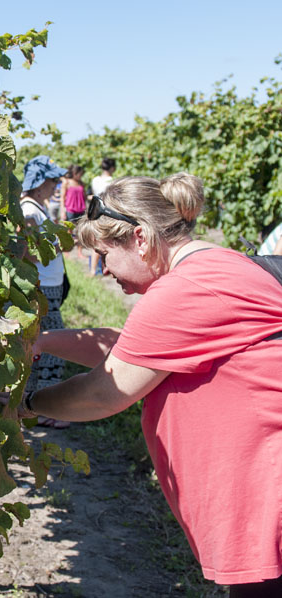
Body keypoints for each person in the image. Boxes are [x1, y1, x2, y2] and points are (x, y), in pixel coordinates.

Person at [15, 173, 282, 596]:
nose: (102, 268)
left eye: (104, 254)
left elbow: (102, 393)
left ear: (140, 238)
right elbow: (132, 350)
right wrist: (43, 341)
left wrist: (26, 404)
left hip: (270, 496)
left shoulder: (186, 289)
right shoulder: (218, 267)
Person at [19, 155, 70, 429]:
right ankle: (50, 409)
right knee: (53, 344)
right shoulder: (29, 211)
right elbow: (27, 253)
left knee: (43, 344)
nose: (56, 185)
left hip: (49, 287)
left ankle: (38, 407)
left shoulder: (38, 208)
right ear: (39, 183)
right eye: (53, 180)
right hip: (41, 288)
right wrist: (60, 244)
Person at [88, 158, 117, 275]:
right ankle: (108, 269)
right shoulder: (112, 181)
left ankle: (93, 270)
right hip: (107, 211)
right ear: (112, 168)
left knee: (96, 241)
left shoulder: (95, 180)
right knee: (107, 241)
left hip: (95, 210)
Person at [60, 164, 87, 258]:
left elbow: (84, 197)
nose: (81, 175)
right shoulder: (67, 183)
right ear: (75, 173)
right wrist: (62, 211)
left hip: (81, 210)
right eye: (79, 173)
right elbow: (62, 198)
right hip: (70, 209)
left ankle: (80, 252)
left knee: (80, 232)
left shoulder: (81, 183)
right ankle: (66, 250)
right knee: (68, 232)